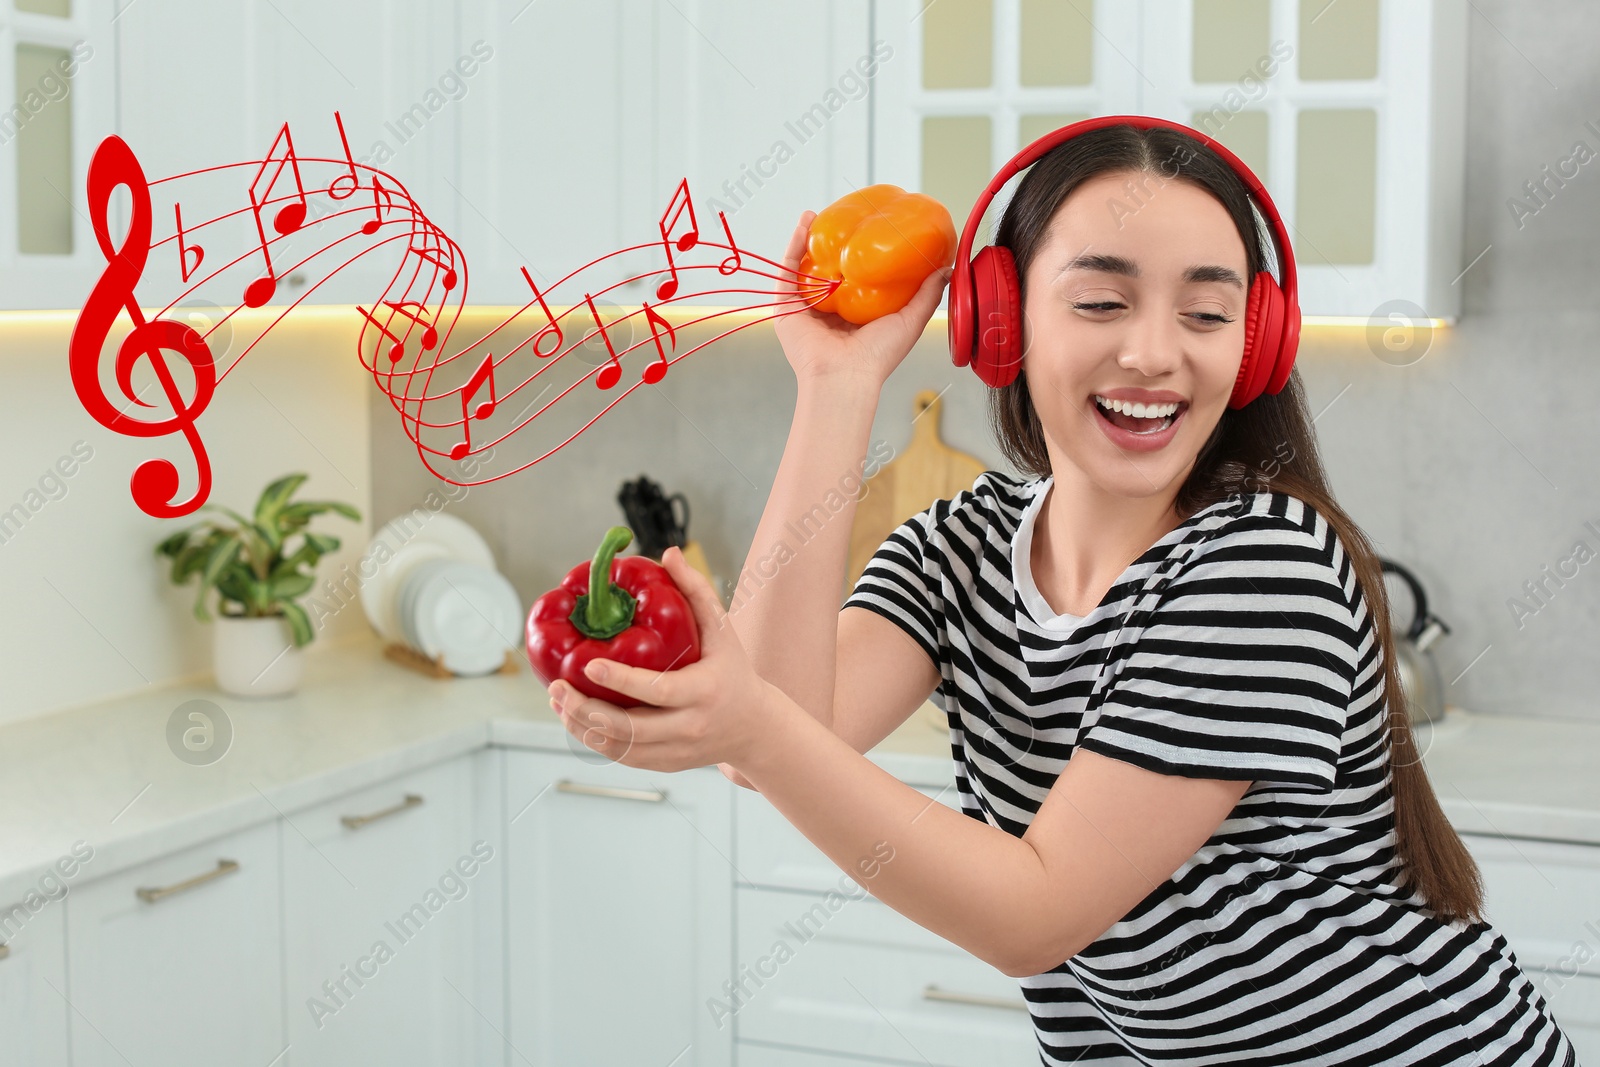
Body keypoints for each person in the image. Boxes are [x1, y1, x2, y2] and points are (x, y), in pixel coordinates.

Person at [542, 121, 1580, 1066]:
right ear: (1002, 320)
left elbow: (1031, 915)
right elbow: (778, 727)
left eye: (1207, 312)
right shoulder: (958, 545)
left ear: (1252, 343)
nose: (1152, 352)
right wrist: (834, 385)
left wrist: (753, 727)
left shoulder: (1267, 570)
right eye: (1099, 300)